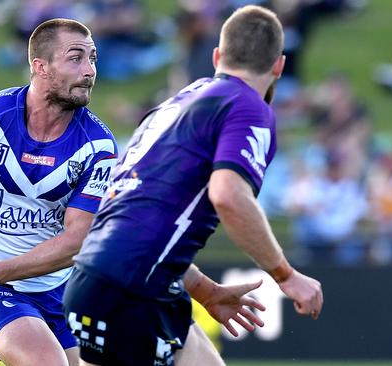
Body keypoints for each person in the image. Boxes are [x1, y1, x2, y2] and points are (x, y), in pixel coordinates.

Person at [0, 17, 267, 366]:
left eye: (93, 59)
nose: (90, 71)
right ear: (40, 66)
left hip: (62, 285)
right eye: (76, 58)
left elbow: (79, 240)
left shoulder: (97, 146)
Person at [62, 5, 324, 366]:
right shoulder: (248, 106)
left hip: (104, 278)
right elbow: (228, 195)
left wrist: (206, 291)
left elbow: (134, 222)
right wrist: (286, 275)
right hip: (133, 290)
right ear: (278, 65)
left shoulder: (172, 106)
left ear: (218, 56)